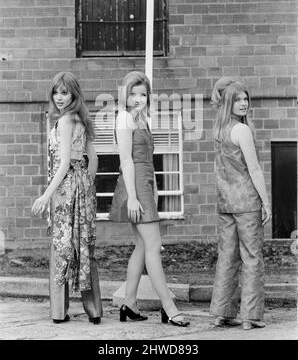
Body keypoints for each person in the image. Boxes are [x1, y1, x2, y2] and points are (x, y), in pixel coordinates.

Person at [109, 71, 190, 327]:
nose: (138, 98)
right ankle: (168, 306)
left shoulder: (141, 119)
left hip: (144, 185)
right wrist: (133, 197)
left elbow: (147, 161)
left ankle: (130, 303)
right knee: (154, 246)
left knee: (143, 247)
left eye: (143, 94)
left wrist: (152, 189)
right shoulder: (124, 118)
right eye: (133, 93)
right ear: (125, 94)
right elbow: (126, 160)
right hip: (135, 187)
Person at [31, 72, 102, 324]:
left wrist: (46, 195)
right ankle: (94, 311)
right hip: (83, 187)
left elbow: (61, 166)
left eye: (65, 92)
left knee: (61, 247)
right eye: (56, 92)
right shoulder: (82, 118)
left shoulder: (64, 121)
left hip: (63, 189)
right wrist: (86, 186)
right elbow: (93, 159)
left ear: (74, 93)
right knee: (85, 246)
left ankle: (59, 313)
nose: (59, 97)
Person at [209, 77, 272, 330]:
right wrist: (266, 202)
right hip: (246, 201)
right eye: (238, 99)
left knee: (227, 258)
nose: (244, 103)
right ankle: (250, 317)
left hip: (225, 202)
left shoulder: (220, 129)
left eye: (246, 98)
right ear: (229, 102)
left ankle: (221, 313)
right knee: (253, 258)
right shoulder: (242, 130)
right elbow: (254, 169)